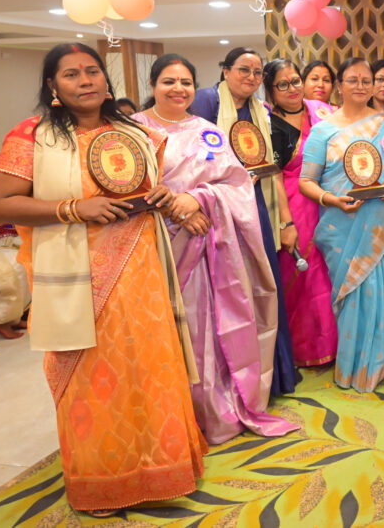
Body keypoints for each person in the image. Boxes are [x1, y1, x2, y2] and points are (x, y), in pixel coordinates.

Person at [0, 43, 205, 515]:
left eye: (92, 71)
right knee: (94, 378)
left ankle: (163, 469)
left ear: (106, 80)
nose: (85, 80)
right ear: (52, 85)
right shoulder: (33, 136)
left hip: (143, 274)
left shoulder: (134, 132)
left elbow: (143, 188)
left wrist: (163, 197)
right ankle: (103, 481)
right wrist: (73, 209)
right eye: (71, 74)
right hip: (80, 280)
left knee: (150, 370)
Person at [135, 54, 299, 444]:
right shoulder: (136, 131)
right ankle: (173, 412)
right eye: (168, 81)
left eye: (185, 82)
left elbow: (236, 183)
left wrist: (200, 200)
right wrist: (178, 209)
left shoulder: (207, 131)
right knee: (168, 328)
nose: (178, 89)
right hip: (158, 245)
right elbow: (127, 186)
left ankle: (213, 406)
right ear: (153, 85)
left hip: (209, 243)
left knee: (209, 327)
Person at [298, 58, 384, 392]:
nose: (362, 86)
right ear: (340, 85)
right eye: (353, 80)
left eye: (367, 80)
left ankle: (379, 364)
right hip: (342, 225)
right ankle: (352, 366)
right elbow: (307, 181)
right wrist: (331, 200)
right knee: (352, 294)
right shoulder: (323, 130)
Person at [190, 47, 299, 395]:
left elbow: (272, 168)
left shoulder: (261, 110)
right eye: (243, 70)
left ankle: (274, 374)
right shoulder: (207, 102)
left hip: (258, 205)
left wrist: (285, 221)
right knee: (231, 288)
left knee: (264, 285)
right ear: (225, 71)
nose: (251, 77)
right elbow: (193, 156)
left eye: (257, 72)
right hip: (220, 208)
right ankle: (234, 382)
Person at [265, 59, 338, 368]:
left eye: (295, 81)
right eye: (282, 85)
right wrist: (286, 222)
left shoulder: (322, 113)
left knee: (332, 273)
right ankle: (307, 348)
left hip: (331, 200)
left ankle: (337, 344)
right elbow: (274, 175)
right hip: (294, 205)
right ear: (271, 91)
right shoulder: (268, 124)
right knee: (306, 276)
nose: (292, 89)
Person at [0, 146, 30, 351]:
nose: (0, 163)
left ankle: (17, 315)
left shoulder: (10, 184)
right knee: (9, 268)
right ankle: (1, 320)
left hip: (12, 238)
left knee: (28, 259)